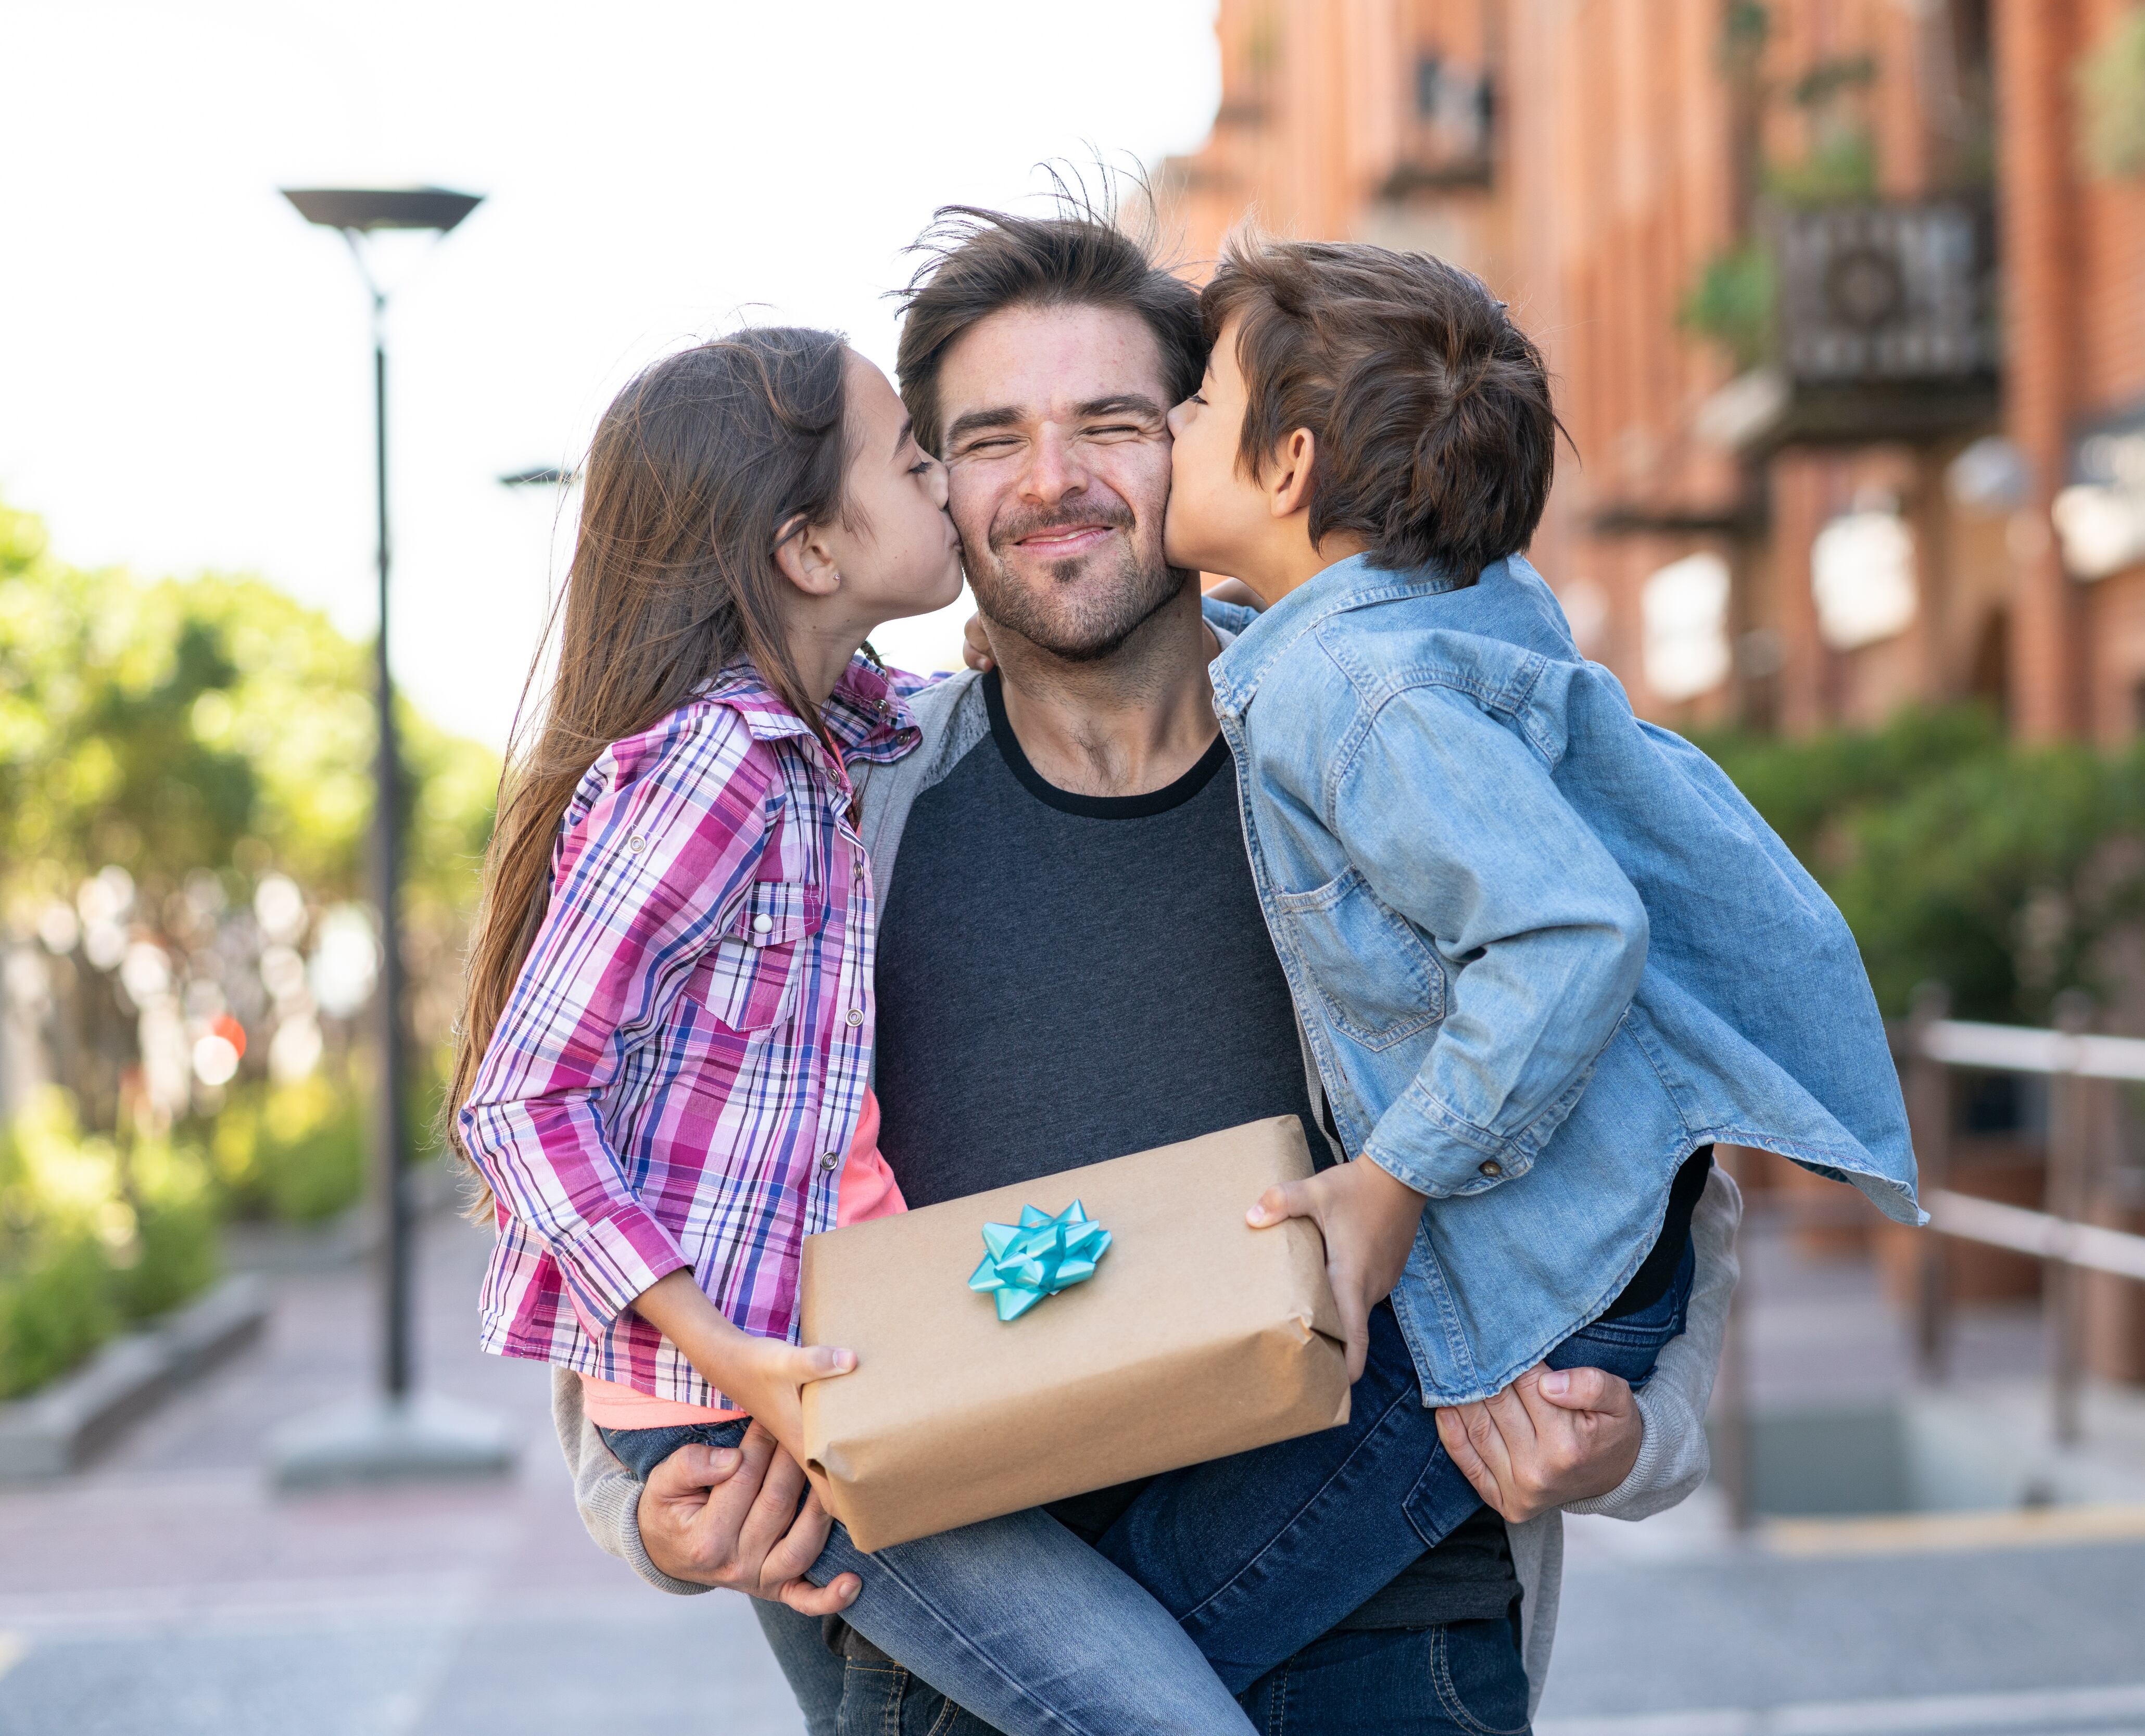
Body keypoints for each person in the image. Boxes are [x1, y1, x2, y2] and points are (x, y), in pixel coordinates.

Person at [553, 205, 1824, 1735]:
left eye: (1115, 421)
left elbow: (1636, 1124)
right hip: (968, 1670)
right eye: (989, 438)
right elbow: (643, 1176)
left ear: (1232, 450)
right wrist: (654, 1517)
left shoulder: (1387, 752)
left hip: (1389, 1637)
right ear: (928, 487)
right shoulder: (830, 811)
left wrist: (1633, 1435)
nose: (1052, 480)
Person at [449, 326, 1258, 1735]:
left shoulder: (832, 733)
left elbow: (984, 702)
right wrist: (733, 1362)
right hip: (763, 1394)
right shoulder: (712, 768)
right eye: (914, 459)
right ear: (812, 551)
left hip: (841, 1353)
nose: (947, 479)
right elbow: (518, 1102)